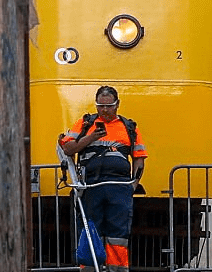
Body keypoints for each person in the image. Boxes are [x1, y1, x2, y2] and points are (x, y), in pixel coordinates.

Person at [61, 86, 147, 272]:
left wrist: (133, 184)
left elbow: (139, 157)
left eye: (109, 106)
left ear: (117, 105)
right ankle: (91, 269)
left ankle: (117, 269)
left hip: (120, 187)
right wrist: (91, 138)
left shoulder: (129, 127)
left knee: (118, 235)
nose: (105, 110)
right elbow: (67, 149)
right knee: (91, 230)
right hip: (91, 186)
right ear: (96, 104)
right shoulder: (85, 124)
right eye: (100, 106)